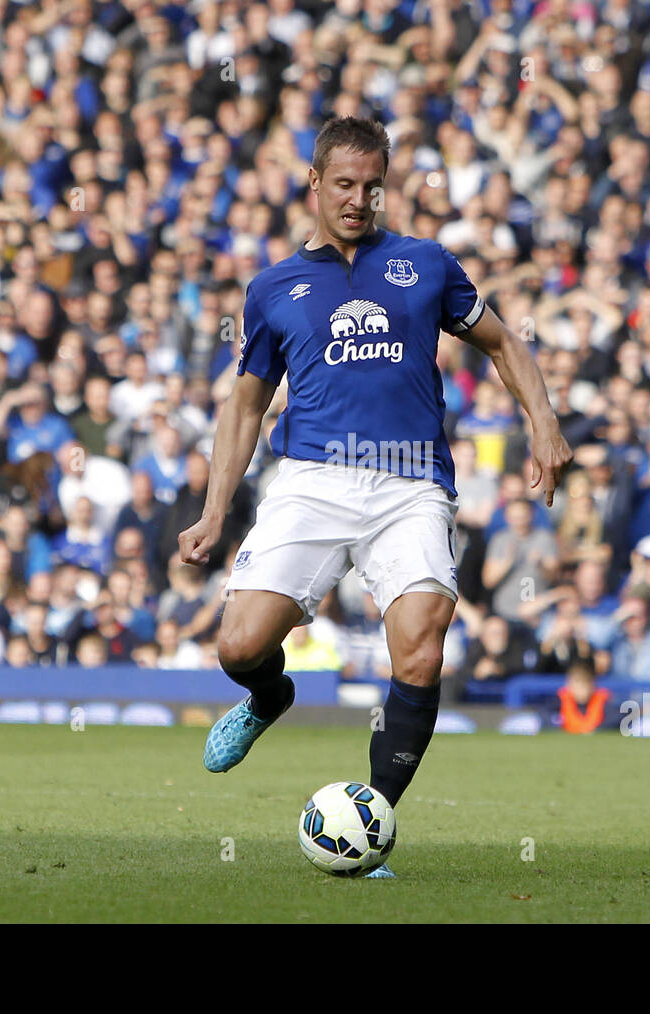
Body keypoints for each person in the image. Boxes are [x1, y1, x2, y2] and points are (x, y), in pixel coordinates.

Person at [178, 116, 572, 879]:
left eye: (373, 186)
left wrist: (544, 424)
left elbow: (503, 343)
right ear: (316, 185)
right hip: (312, 480)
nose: (359, 199)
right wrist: (215, 507)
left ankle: (372, 825)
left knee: (421, 650)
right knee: (238, 647)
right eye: (345, 185)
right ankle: (268, 699)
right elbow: (245, 405)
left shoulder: (426, 265)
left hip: (411, 480)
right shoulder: (273, 288)